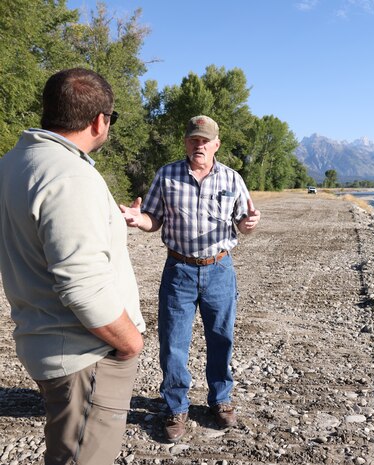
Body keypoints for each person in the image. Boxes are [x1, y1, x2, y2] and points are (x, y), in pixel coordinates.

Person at [0, 68, 145, 465]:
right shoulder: (69, 176)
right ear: (100, 121)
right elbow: (81, 284)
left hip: (46, 343)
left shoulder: (14, 163)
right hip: (85, 355)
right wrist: (131, 342)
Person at [119, 115, 260, 442]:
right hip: (178, 269)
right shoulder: (166, 175)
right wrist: (138, 219)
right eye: (194, 139)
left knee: (221, 337)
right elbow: (153, 217)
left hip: (219, 269)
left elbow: (243, 221)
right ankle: (175, 406)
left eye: (205, 140)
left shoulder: (232, 179)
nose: (199, 145)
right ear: (186, 142)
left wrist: (250, 224)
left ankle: (220, 399)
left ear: (216, 145)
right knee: (173, 343)